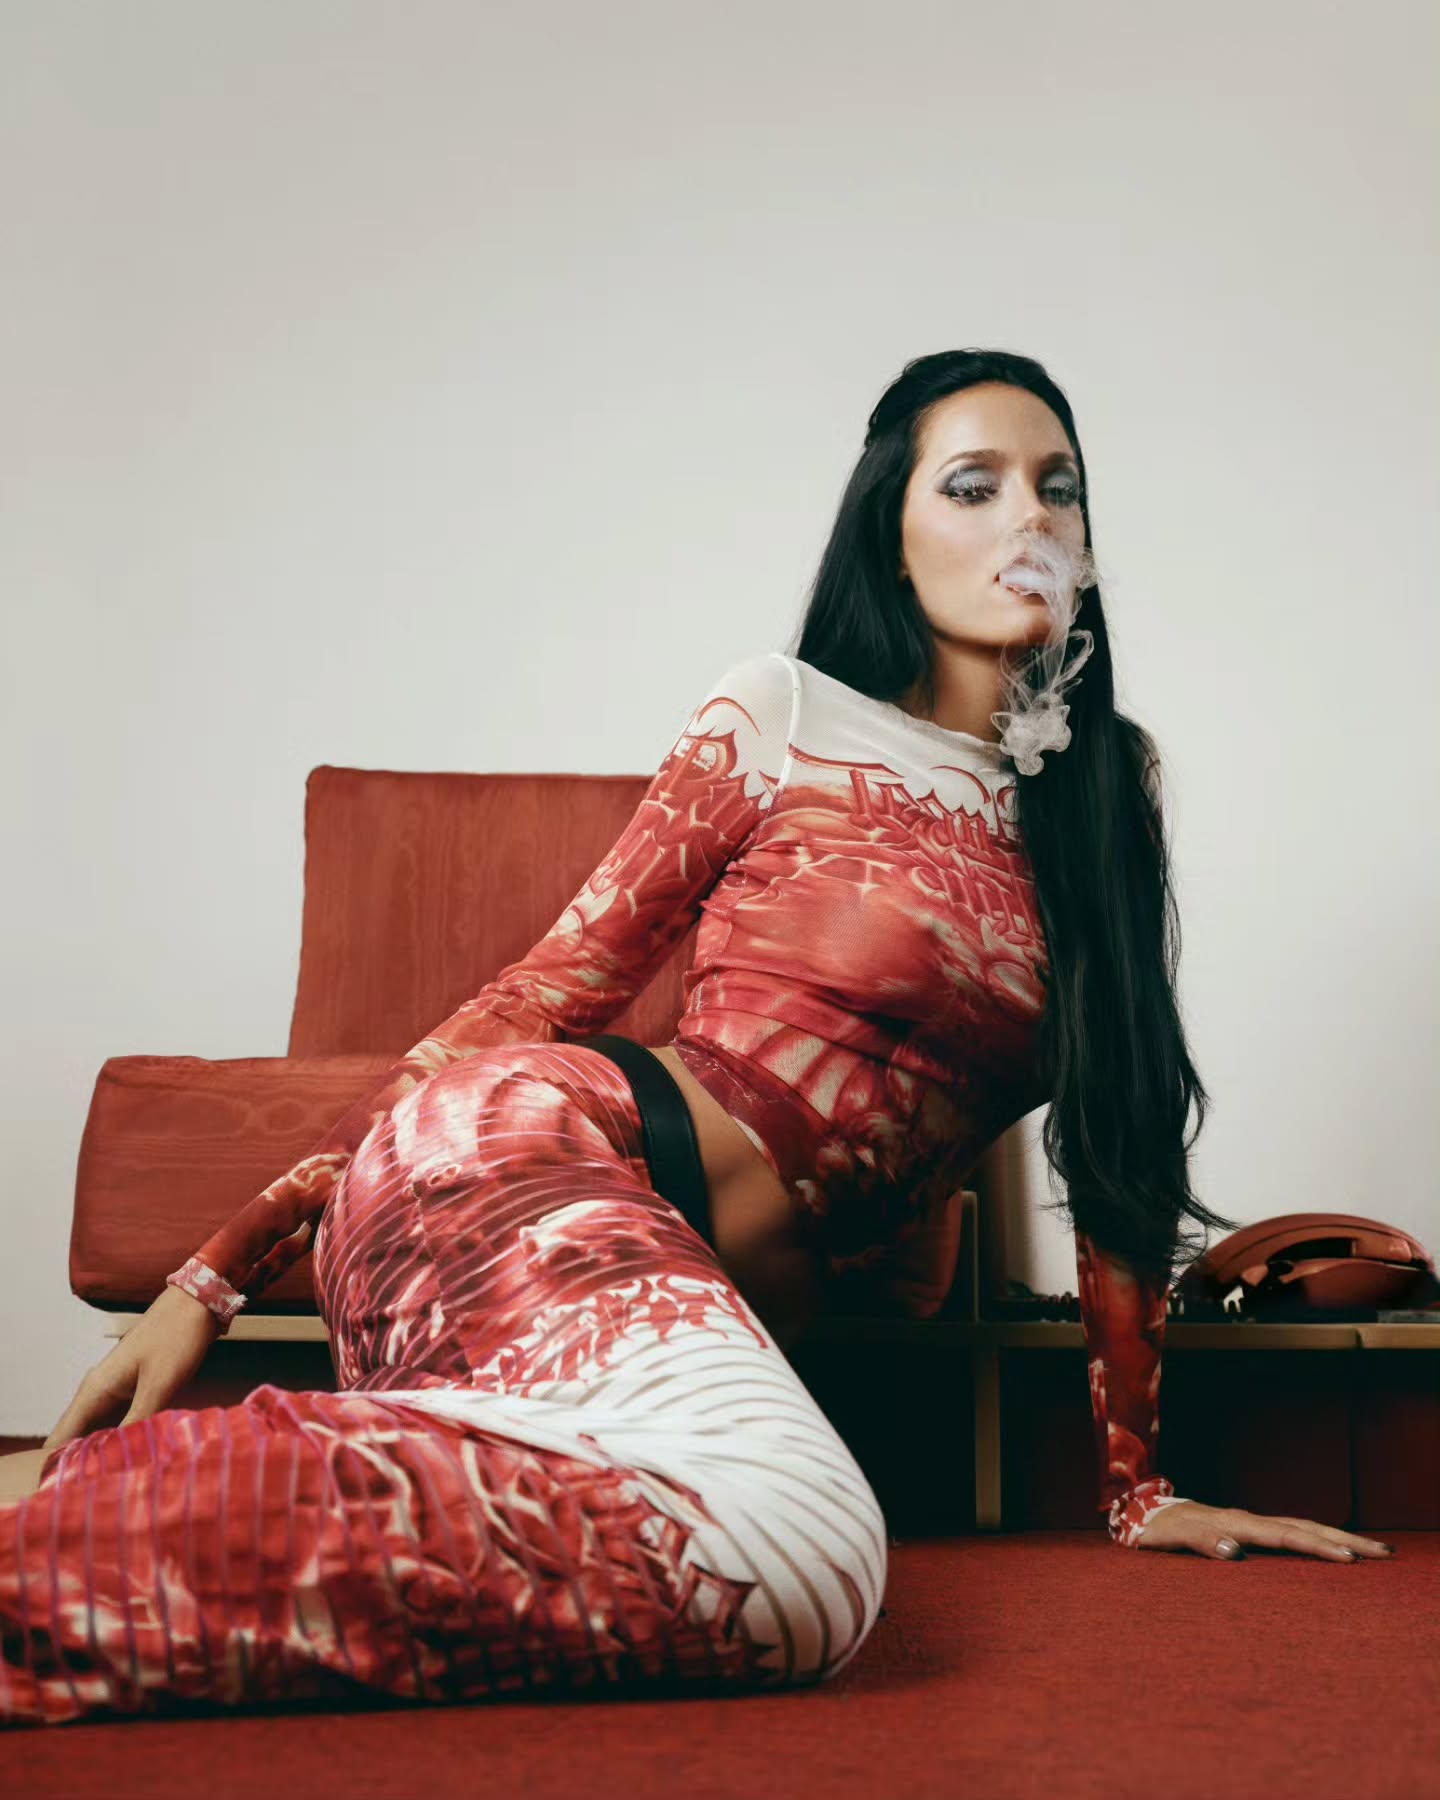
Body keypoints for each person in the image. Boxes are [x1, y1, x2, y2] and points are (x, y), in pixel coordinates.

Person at [1, 350, 1393, 1729]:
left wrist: (1138, 1490)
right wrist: (220, 1267)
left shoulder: (1107, 793)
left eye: (1060, 489)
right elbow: (537, 998)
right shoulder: (785, 715)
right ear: (889, 534)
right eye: (973, 486)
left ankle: (65, 1526)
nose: (1028, 518)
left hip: (655, 1328)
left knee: (677, 1540)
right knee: (803, 1548)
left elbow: (1119, 1137)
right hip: (518, 1160)